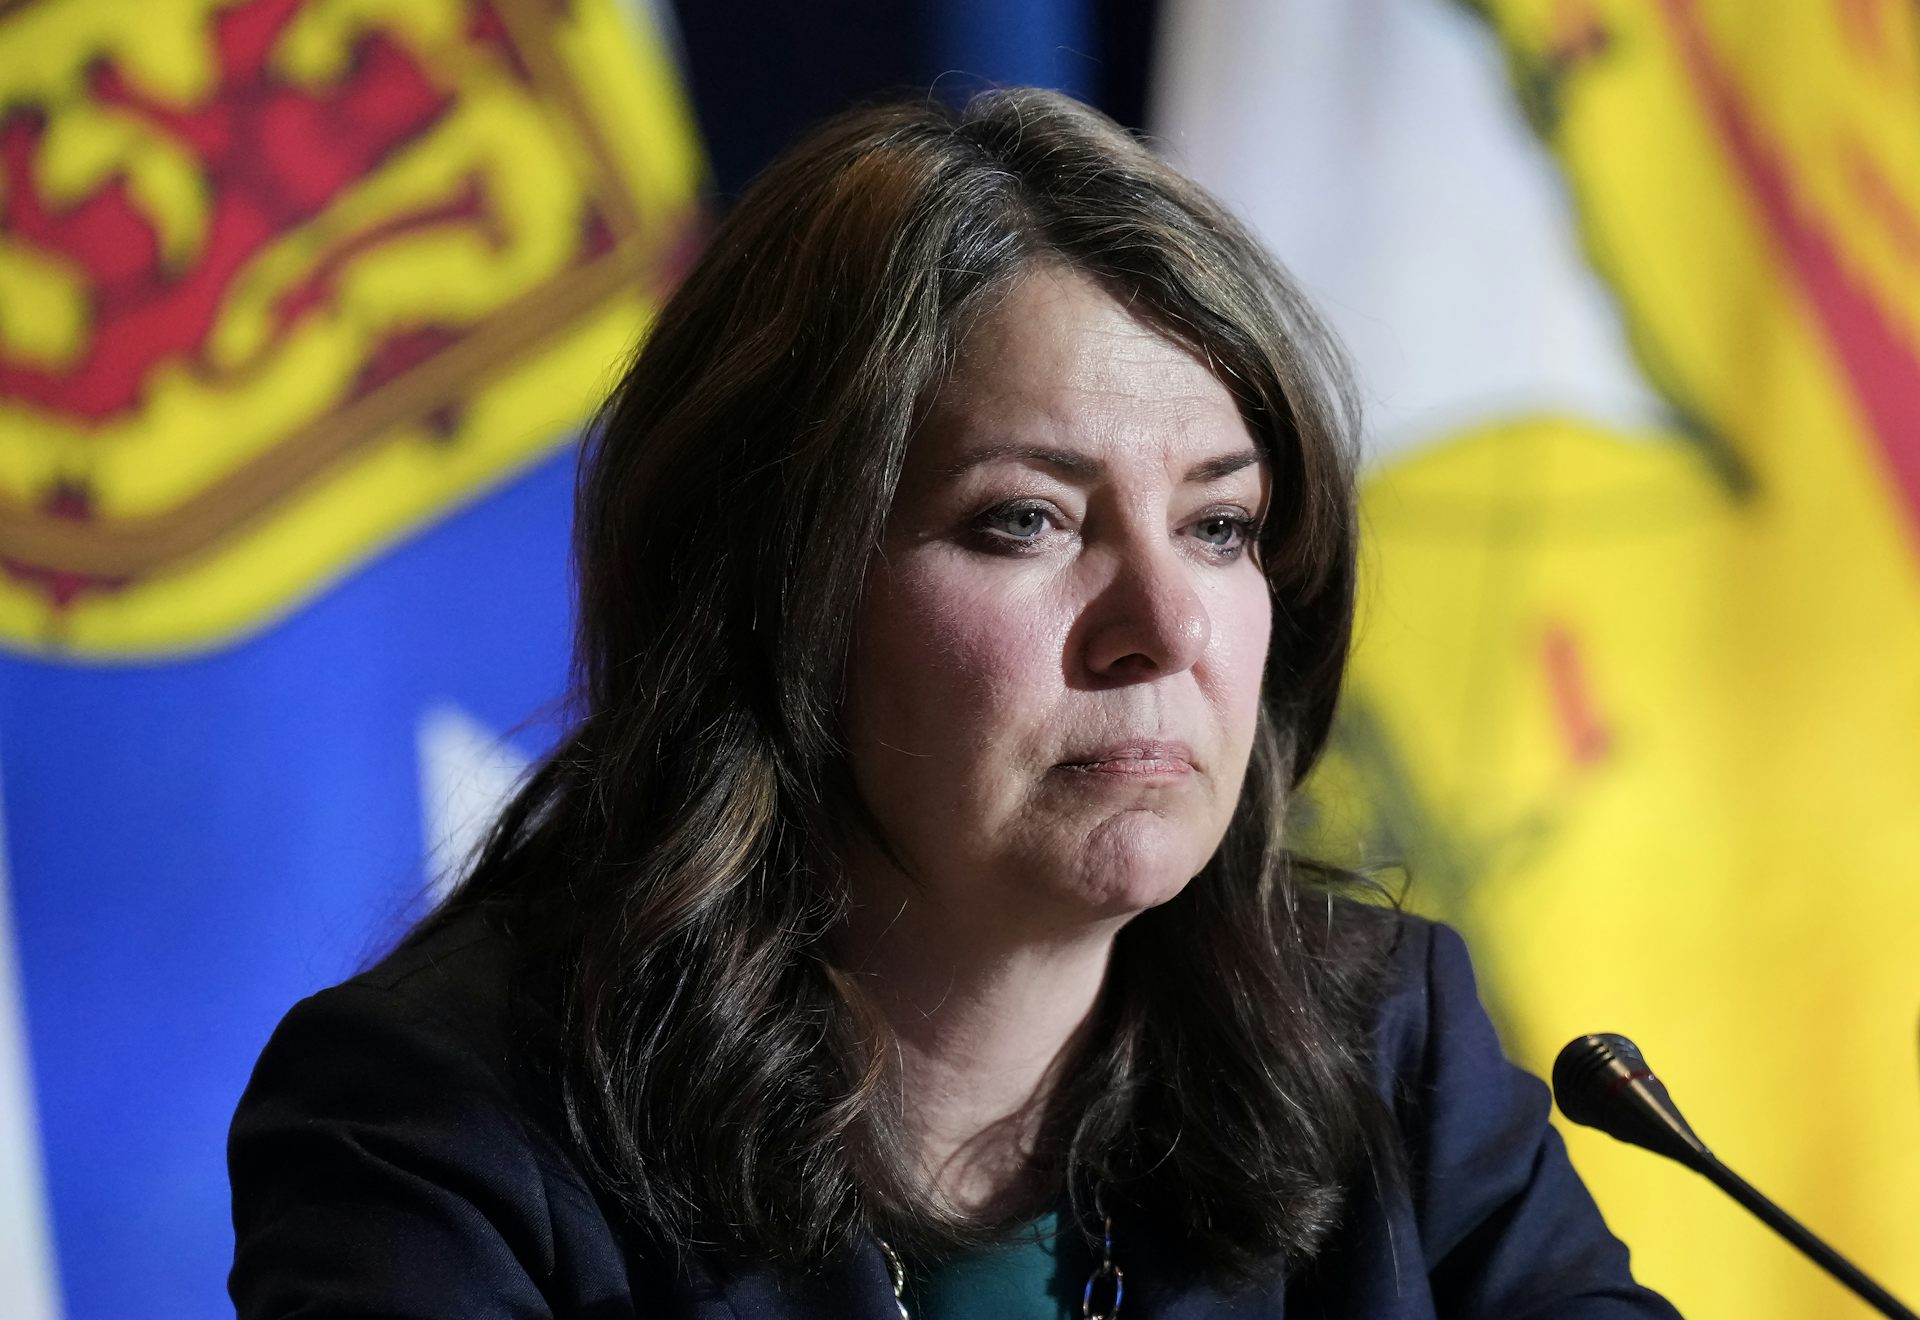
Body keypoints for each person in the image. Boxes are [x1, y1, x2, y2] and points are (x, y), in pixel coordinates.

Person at [228, 88, 1681, 1319]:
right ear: (782, 591)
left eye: (1221, 528)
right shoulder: (441, 1127)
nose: (1165, 627)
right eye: (1026, 523)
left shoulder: (1375, 1045)